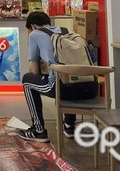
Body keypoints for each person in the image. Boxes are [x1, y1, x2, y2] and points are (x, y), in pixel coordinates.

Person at [18, 11, 97, 143]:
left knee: (27, 80)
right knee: (69, 75)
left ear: (32, 26)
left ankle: (38, 131)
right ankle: (69, 126)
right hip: (90, 87)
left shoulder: (35, 34)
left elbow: (34, 70)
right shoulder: (68, 31)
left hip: (64, 89)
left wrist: (42, 65)